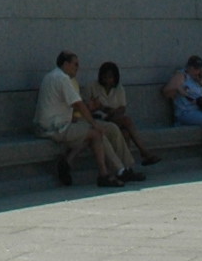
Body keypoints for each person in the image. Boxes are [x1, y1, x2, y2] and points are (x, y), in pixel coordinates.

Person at [36, 52, 137, 186]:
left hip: (52, 124)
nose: (78, 68)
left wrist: (89, 110)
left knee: (107, 130)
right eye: (75, 64)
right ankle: (109, 173)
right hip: (55, 128)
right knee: (96, 134)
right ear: (65, 64)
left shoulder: (51, 76)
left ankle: (69, 161)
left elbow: (69, 105)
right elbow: (78, 105)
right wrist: (94, 123)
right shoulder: (62, 79)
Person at [87, 61, 154, 171]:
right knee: (127, 122)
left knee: (125, 133)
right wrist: (103, 109)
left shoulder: (119, 89)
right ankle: (143, 152)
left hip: (114, 118)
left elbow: (122, 108)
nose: (107, 80)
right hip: (98, 119)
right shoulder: (92, 86)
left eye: (110, 77)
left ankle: (125, 168)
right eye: (104, 77)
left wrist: (110, 111)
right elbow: (88, 107)